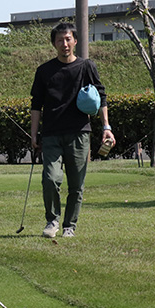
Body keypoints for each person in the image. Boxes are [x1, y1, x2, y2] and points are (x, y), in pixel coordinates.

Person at [30, 22, 116, 238]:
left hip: (79, 133)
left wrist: (106, 127)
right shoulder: (44, 71)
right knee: (50, 179)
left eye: (68, 39)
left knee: (76, 185)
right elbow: (35, 105)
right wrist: (33, 134)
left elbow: (102, 97)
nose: (64, 43)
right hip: (51, 134)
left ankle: (70, 225)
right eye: (60, 40)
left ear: (75, 41)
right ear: (54, 44)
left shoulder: (87, 67)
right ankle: (52, 222)